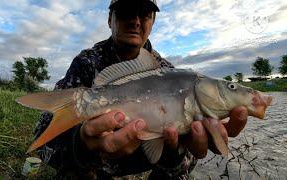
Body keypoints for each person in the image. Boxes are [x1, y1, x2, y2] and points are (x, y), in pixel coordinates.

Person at [34, 0, 248, 179]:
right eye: (126, 11)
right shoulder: (86, 62)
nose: (135, 21)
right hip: (97, 165)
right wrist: (81, 144)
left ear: (152, 22)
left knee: (182, 164)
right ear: (110, 19)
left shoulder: (170, 73)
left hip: (145, 159)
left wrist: (173, 153)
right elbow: (42, 144)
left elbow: (183, 159)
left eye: (145, 14)